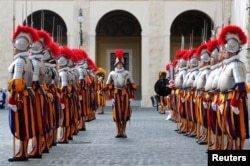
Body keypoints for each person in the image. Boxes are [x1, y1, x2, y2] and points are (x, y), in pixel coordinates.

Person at [7, 25, 39, 162]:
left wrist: (12, 98)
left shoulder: (20, 61)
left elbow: (17, 83)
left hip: (20, 97)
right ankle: (23, 150)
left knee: (21, 125)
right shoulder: (28, 61)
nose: (13, 48)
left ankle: (23, 152)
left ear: (19, 47)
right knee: (25, 124)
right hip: (27, 95)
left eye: (14, 46)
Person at [217, 25, 249, 150]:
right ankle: (230, 147)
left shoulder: (235, 65)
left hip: (234, 100)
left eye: (225, 50)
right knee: (227, 126)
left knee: (236, 127)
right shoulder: (228, 65)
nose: (223, 52)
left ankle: (236, 150)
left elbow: (240, 85)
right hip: (226, 98)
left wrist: (235, 102)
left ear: (231, 50)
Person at [106, 49, 136, 138]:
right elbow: (107, 84)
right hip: (116, 94)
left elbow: (132, 84)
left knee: (125, 113)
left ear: (123, 64)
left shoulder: (127, 73)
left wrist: (131, 95)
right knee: (117, 114)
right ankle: (118, 131)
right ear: (116, 64)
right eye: (118, 64)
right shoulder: (111, 73)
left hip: (125, 94)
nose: (119, 65)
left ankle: (124, 131)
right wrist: (110, 94)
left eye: (121, 64)